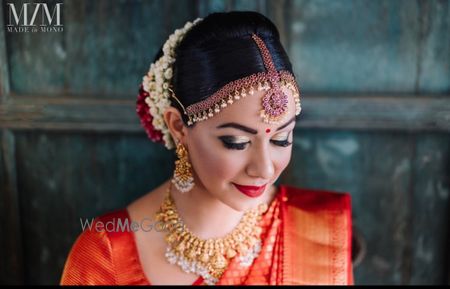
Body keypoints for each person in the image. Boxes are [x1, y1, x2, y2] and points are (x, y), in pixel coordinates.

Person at [60, 11, 354, 285]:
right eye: (236, 142)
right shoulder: (106, 253)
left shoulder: (319, 232)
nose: (264, 168)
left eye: (281, 138)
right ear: (178, 127)